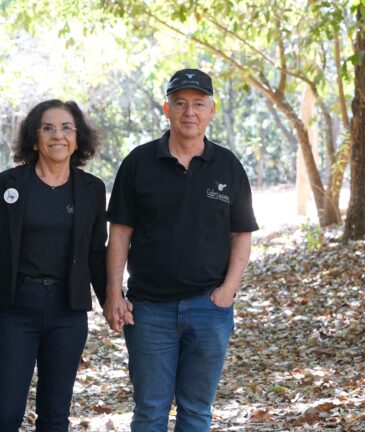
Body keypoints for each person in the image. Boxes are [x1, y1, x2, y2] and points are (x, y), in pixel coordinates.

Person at [103, 69, 259, 431]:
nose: (190, 112)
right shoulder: (138, 163)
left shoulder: (228, 166)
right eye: (181, 103)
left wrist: (227, 292)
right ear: (166, 108)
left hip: (210, 308)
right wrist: (115, 292)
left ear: (211, 110)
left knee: (197, 411)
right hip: (148, 310)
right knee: (150, 411)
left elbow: (241, 235)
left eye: (198, 104)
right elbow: (120, 234)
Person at [0, 99, 107, 431]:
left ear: (77, 139)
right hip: (16, 308)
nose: (57, 135)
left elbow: (95, 253)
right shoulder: (8, 185)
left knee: (55, 417)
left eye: (66, 128)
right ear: (35, 139)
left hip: (68, 312)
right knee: (5, 415)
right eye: (47, 128)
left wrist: (111, 302)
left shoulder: (92, 189)